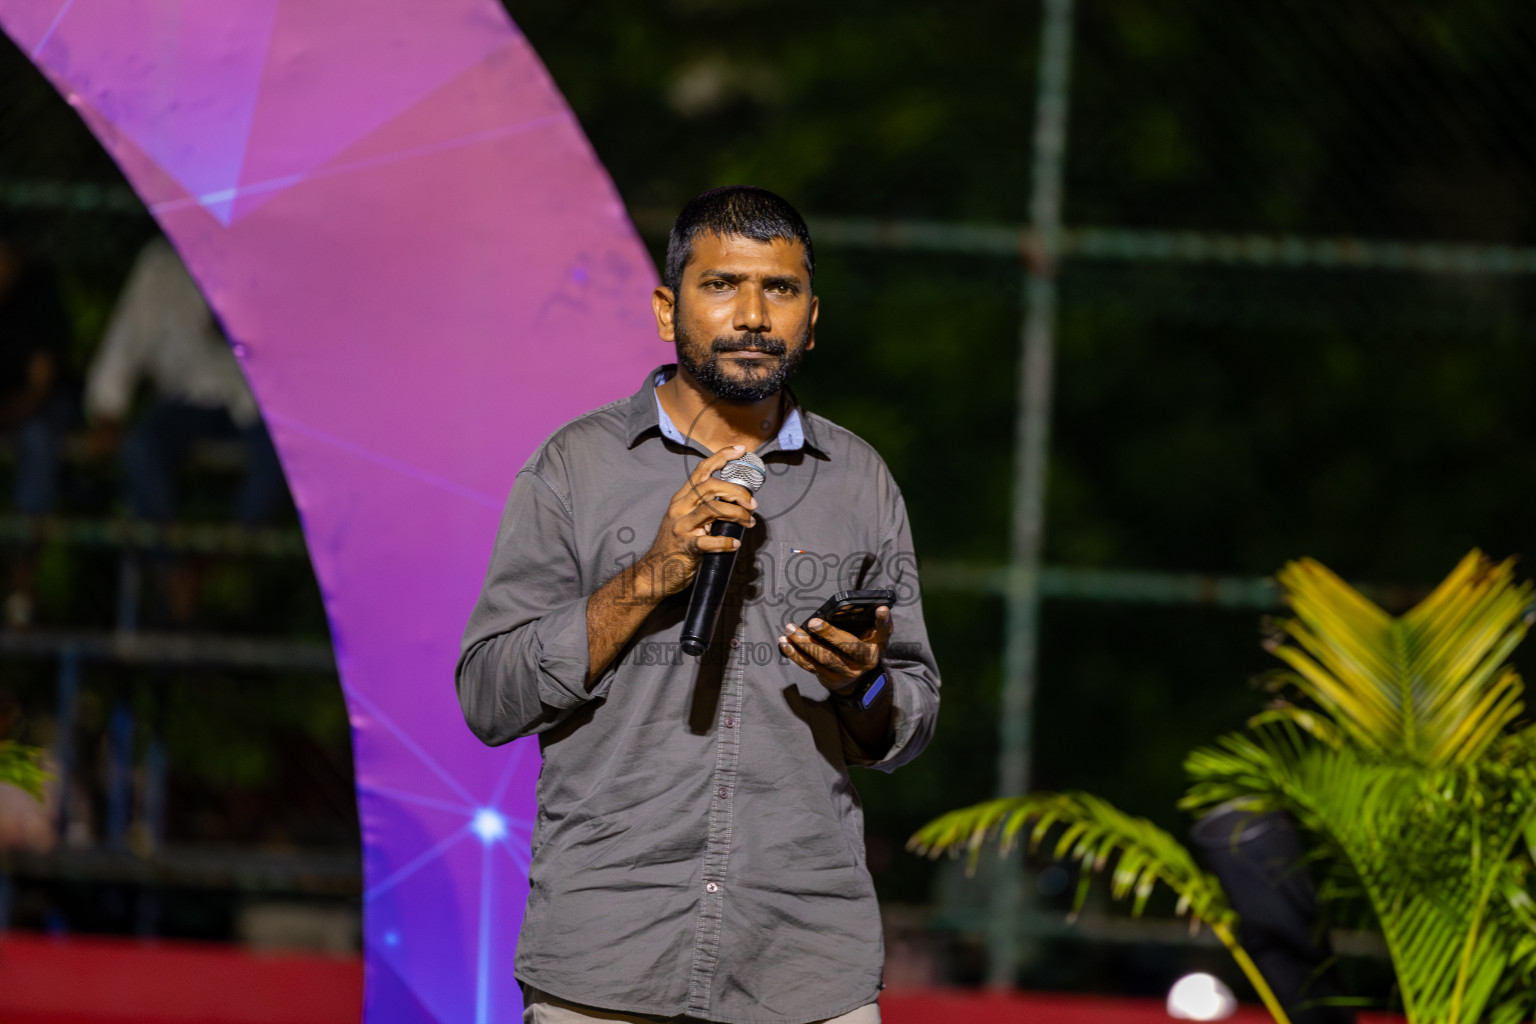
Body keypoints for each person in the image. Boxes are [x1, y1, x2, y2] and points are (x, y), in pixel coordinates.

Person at [457, 186, 942, 1024]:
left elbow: (909, 720)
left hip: (802, 962)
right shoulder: (575, 468)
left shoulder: (859, 481)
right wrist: (652, 573)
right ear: (664, 308)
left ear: (812, 318)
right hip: (608, 955)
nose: (753, 314)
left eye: (779, 290)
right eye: (722, 285)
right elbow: (490, 697)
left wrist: (862, 683)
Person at [85, 236, 283, 529]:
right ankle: (173, 564)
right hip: (185, 402)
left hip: (253, 402)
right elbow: (126, 339)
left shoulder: (260, 258)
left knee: (285, 450)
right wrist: (107, 407)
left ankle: (235, 552)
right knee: (141, 447)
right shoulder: (161, 266)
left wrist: (240, 326)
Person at [0, 234, 75, 627]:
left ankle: (22, 583)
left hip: (34, 408)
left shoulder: (38, 290)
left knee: (38, 440)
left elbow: (40, 387)